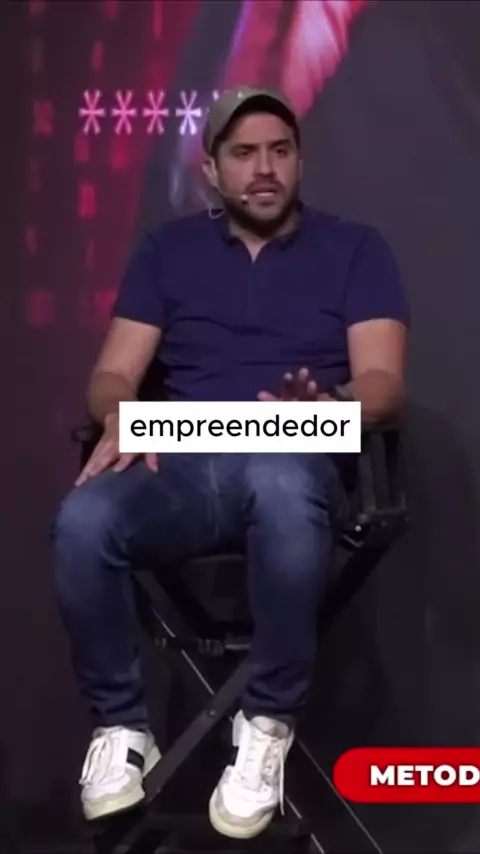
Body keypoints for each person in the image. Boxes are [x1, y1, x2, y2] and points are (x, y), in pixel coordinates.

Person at [53, 86, 409, 839]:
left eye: (280, 151)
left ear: (300, 161)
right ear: (212, 171)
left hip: (294, 456)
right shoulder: (167, 251)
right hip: (183, 464)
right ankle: (121, 729)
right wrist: (119, 414)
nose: (264, 168)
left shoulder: (356, 248)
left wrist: (331, 404)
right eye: (244, 154)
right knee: (84, 519)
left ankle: (267, 723)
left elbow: (382, 384)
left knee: (280, 478)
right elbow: (111, 377)